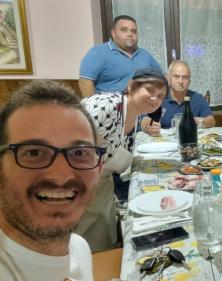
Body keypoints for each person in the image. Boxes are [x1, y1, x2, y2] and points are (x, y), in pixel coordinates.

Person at [0, 80, 104, 280]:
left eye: (80, 152)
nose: (61, 175)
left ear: (99, 168)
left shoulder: (79, 248)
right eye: (34, 152)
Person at [78, 67, 167, 252]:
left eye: (160, 96)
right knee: (76, 248)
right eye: (150, 90)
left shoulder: (134, 116)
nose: (155, 99)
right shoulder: (105, 107)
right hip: (78, 192)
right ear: (132, 87)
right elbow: (70, 148)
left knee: (100, 246)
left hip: (101, 189)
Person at [79, 15, 162, 97]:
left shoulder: (144, 55)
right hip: (109, 108)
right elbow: (85, 82)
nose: (130, 34)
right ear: (114, 33)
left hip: (141, 107)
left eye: (133, 31)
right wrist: (93, 107)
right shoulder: (98, 53)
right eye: (124, 30)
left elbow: (162, 78)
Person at [141, 60, 215, 135]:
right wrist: (148, 126)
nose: (180, 81)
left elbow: (212, 121)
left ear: (189, 81)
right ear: (168, 79)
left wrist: (198, 122)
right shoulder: (158, 97)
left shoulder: (197, 98)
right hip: (164, 142)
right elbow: (145, 120)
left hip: (189, 140)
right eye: (176, 77)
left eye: (185, 77)